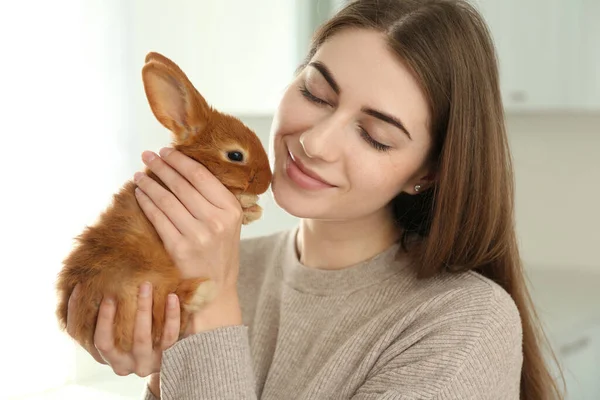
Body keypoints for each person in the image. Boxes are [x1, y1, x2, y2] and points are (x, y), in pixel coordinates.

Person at [65, 0, 564, 398]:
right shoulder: (236, 263)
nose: (315, 143)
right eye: (316, 93)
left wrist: (212, 301)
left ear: (428, 174)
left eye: (374, 135)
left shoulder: (465, 324)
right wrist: (151, 355)